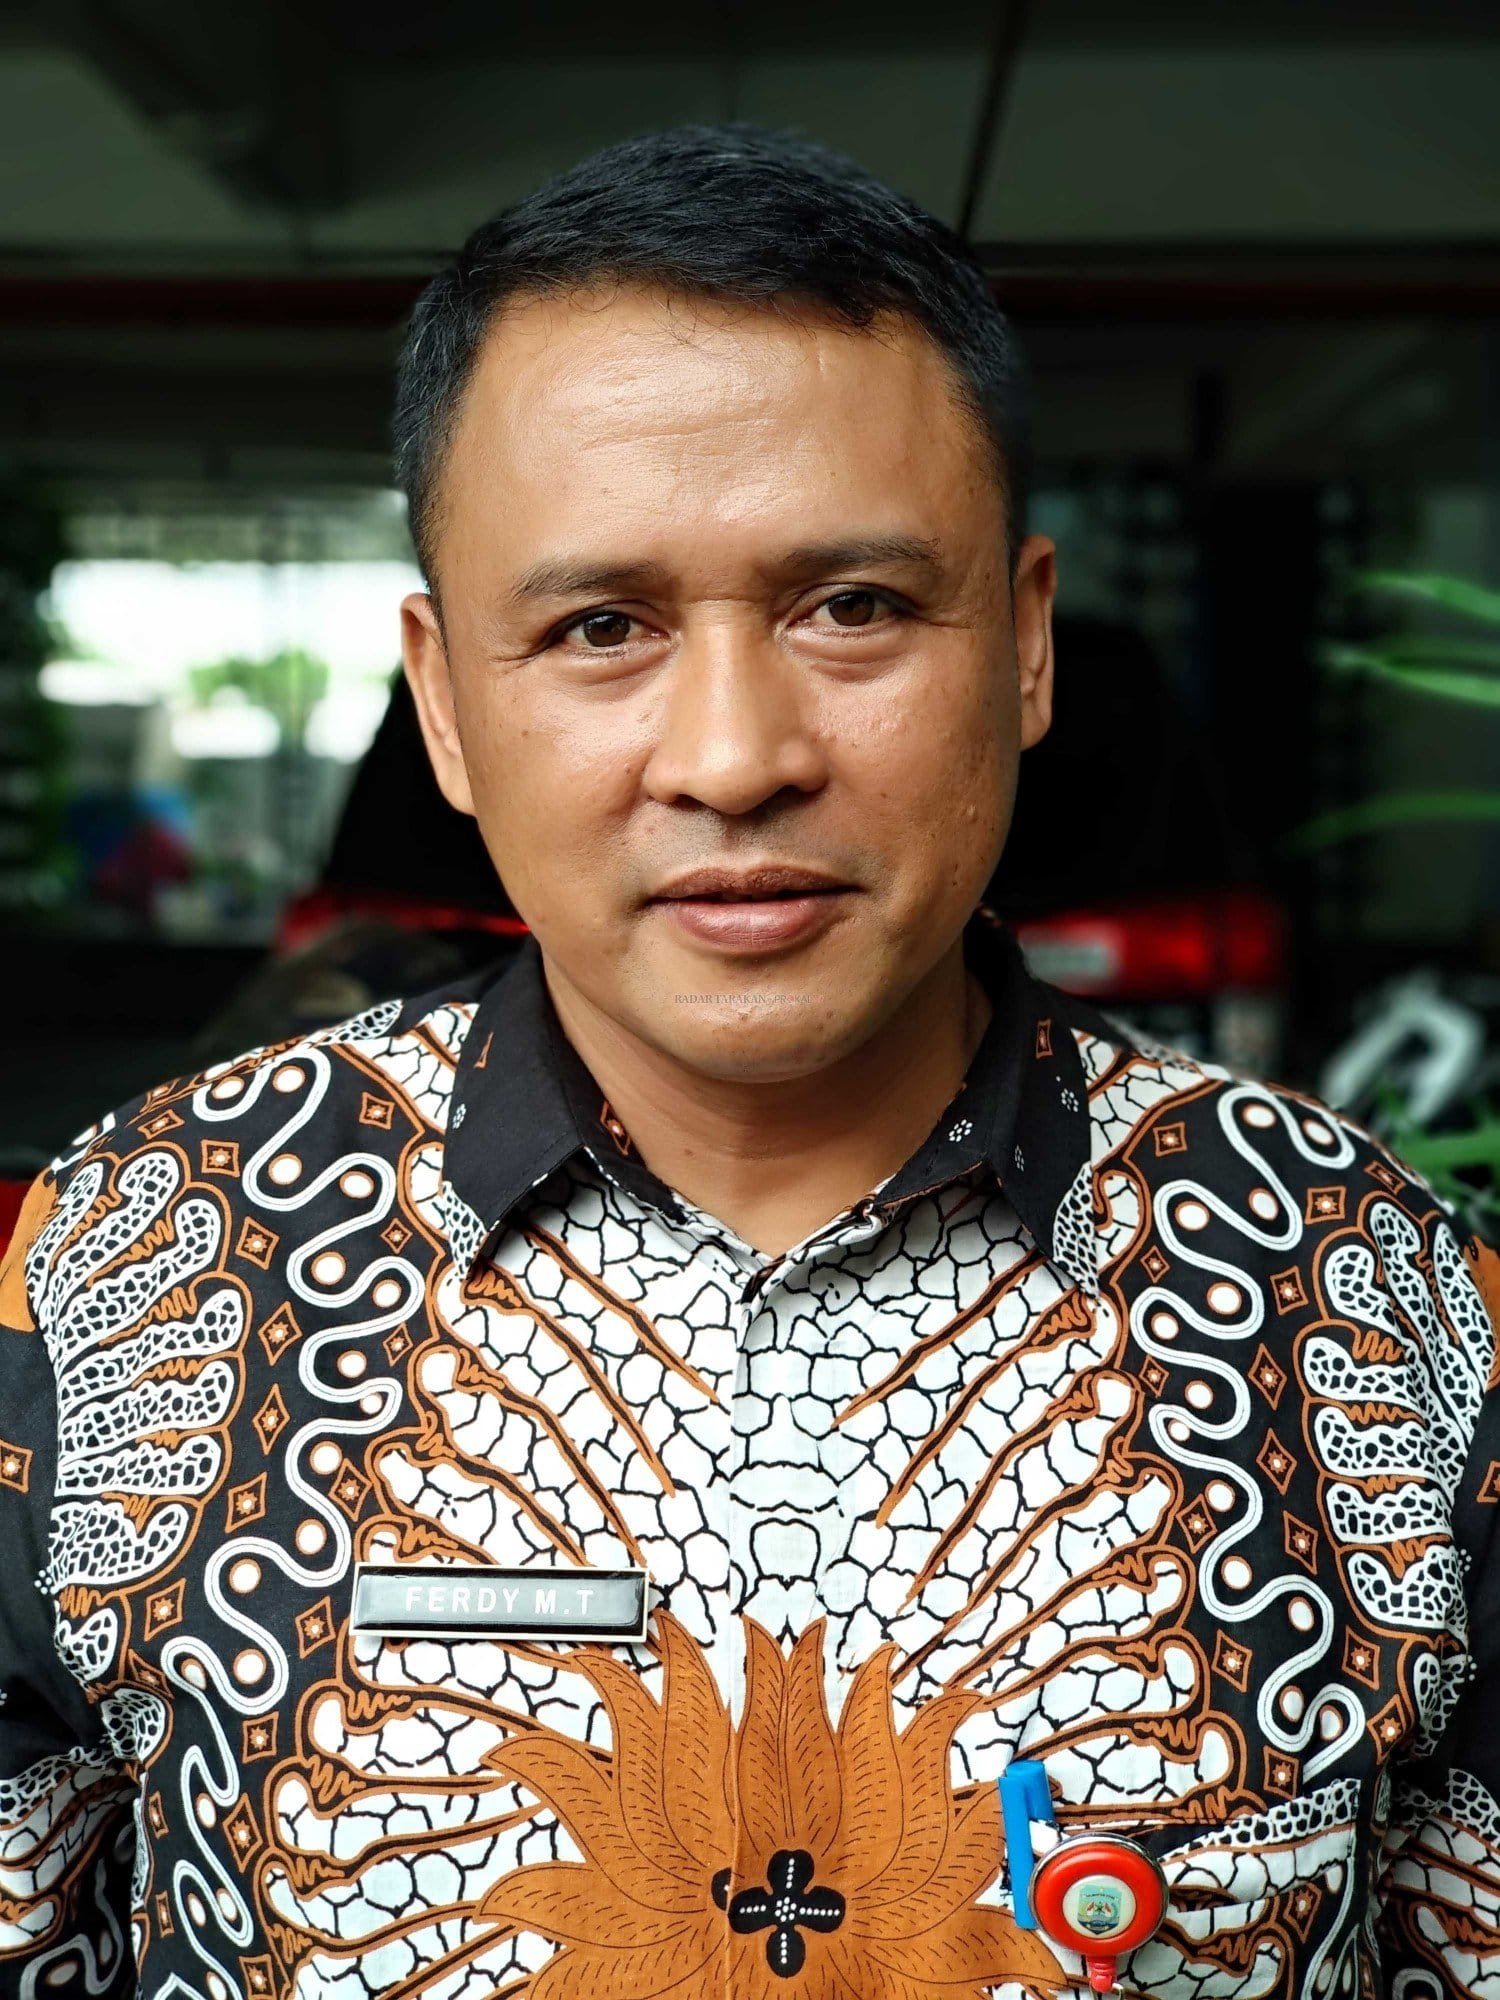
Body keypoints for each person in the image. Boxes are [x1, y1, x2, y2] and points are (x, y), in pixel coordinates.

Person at [1, 123, 1497, 2000]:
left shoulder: (1370, 1293)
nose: (733, 757)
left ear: (1025, 645)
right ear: (445, 701)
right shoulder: (137, 1267)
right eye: (600, 627)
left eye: (852, 608)